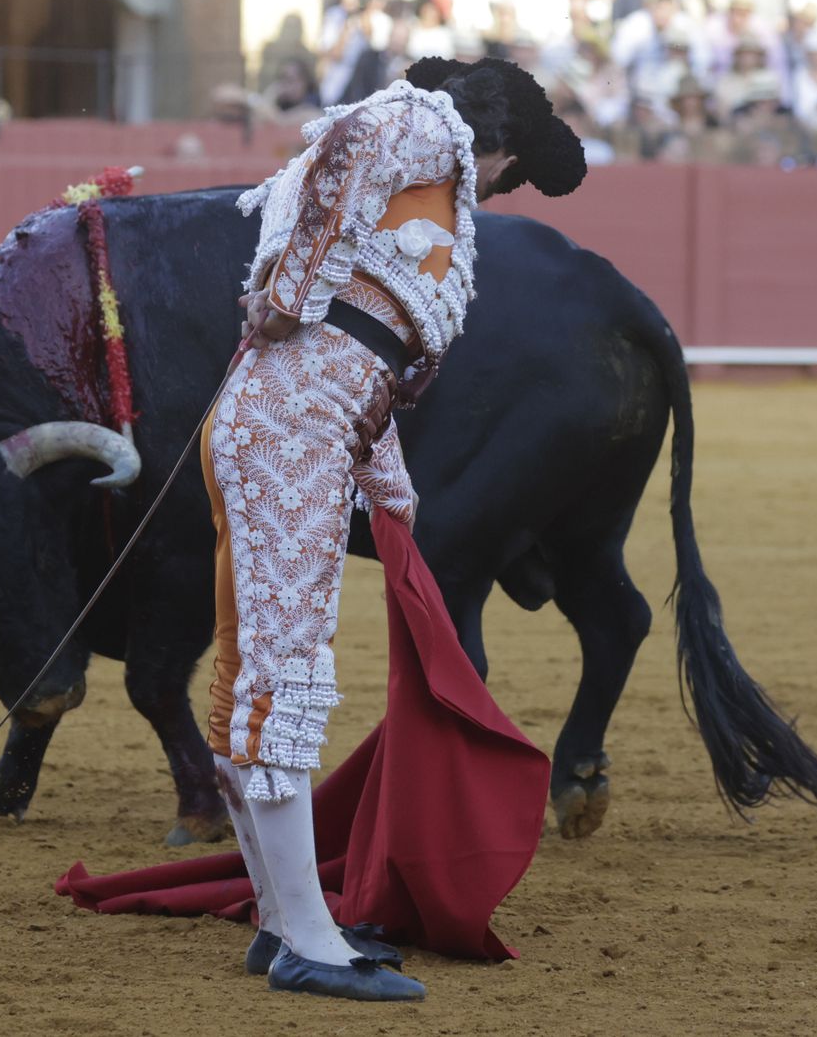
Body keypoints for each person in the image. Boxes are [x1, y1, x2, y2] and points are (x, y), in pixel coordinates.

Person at [210, 56, 584, 1001]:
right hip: (288, 426)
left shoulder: (428, 175)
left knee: (250, 668)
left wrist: (389, 483)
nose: (501, 190)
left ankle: (278, 920)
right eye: (514, 172)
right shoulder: (422, 127)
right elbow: (344, 153)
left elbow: (368, 355)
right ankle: (306, 939)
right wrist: (285, 296)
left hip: (300, 420)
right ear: (496, 142)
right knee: (284, 673)